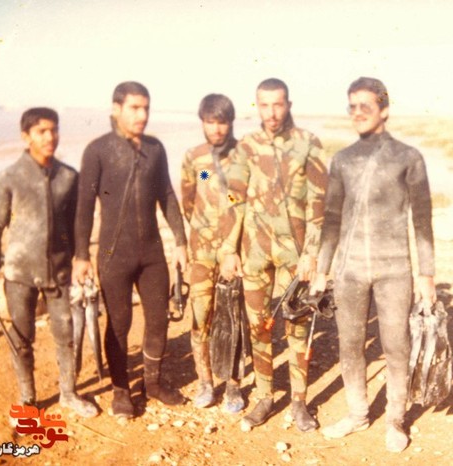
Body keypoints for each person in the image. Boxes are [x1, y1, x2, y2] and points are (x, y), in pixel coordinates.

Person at [310, 77, 437, 453]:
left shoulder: (408, 157)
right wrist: (321, 269)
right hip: (349, 271)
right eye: (352, 106)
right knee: (350, 344)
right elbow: (331, 218)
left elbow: (422, 220)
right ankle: (357, 414)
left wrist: (426, 274)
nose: (357, 113)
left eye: (365, 106)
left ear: (384, 109)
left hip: (394, 269)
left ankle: (396, 419)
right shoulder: (342, 159)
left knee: (396, 344)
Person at [73, 82, 188, 419]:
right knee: (119, 323)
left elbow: (167, 195)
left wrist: (180, 241)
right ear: (116, 109)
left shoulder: (156, 148)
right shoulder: (98, 150)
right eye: (135, 108)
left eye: (146, 108)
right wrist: (81, 255)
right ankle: (121, 390)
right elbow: (84, 207)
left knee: (159, 318)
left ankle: (152, 382)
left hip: (152, 254)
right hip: (114, 255)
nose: (142, 115)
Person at [219, 78, 328, 432]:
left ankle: (299, 402)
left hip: (295, 256)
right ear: (257, 106)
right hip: (254, 254)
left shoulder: (308, 143)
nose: (271, 112)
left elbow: (319, 204)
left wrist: (312, 253)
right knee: (258, 326)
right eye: (264, 105)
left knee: (297, 327)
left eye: (277, 104)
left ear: (288, 105)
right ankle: (264, 397)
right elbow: (234, 197)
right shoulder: (247, 146)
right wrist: (228, 248)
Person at [0, 107, 98, 418]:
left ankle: (69, 393)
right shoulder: (8, 178)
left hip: (60, 273)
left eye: (54, 130)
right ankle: (28, 399)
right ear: (26, 136)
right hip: (19, 274)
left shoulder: (69, 177)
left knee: (66, 335)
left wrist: (81, 257)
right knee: (21, 340)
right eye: (41, 131)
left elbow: (79, 223)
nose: (50, 137)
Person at [181, 94, 245, 412]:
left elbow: (240, 201)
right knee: (200, 316)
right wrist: (203, 230)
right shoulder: (195, 159)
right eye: (210, 122)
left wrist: (231, 242)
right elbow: (189, 197)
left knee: (232, 319)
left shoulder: (243, 155)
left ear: (230, 123)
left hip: (233, 251)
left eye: (222, 122)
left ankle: (233, 385)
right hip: (201, 252)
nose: (216, 129)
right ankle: (205, 381)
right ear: (202, 122)